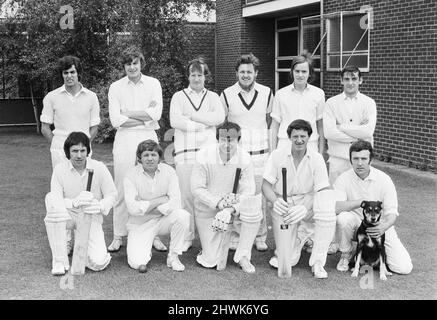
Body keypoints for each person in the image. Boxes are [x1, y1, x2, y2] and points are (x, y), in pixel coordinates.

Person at [107, 48, 166, 253]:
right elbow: (116, 120)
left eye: (135, 63)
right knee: (122, 187)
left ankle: (154, 234)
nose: (132, 67)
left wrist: (128, 114)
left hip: (148, 138)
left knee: (152, 188)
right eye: (128, 64)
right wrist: (145, 117)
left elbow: (156, 114)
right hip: (124, 140)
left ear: (141, 63)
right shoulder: (115, 87)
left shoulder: (153, 83)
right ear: (123, 66)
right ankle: (118, 235)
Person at [262, 119, 338, 279]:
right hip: (284, 204)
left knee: (327, 210)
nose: (299, 140)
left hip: (307, 201)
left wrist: (309, 209)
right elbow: (266, 186)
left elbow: (323, 189)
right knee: (287, 260)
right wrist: (276, 202)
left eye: (303, 136)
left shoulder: (317, 158)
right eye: (295, 136)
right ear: (289, 137)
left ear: (309, 137)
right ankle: (299, 238)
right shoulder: (277, 155)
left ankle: (318, 262)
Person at [191, 122, 262, 273]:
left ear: (238, 140)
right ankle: (213, 248)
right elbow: (196, 188)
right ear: (218, 139)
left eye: (232, 139)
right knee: (210, 260)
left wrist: (230, 209)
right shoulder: (203, 155)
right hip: (208, 209)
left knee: (254, 208)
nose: (228, 143)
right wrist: (219, 203)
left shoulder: (245, 158)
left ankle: (243, 255)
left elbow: (248, 192)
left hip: (234, 208)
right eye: (224, 139)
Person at [170, 58, 225, 252]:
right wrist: (204, 125)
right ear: (188, 76)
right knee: (185, 196)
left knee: (206, 195)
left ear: (205, 77)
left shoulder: (213, 97)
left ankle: (207, 238)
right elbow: (175, 121)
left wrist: (193, 117)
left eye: (199, 74)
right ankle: (187, 236)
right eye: (193, 74)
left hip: (208, 154)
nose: (196, 78)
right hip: (184, 153)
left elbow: (219, 118)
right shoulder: (179, 96)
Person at [334, 140, 413, 275]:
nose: (360, 163)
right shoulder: (343, 178)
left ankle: (377, 258)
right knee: (343, 218)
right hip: (355, 224)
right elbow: (336, 207)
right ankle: (346, 254)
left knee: (403, 268)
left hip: (380, 226)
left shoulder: (384, 179)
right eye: (356, 158)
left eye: (364, 158)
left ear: (371, 159)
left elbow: (392, 212)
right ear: (350, 160)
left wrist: (384, 226)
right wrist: (361, 202)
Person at [43, 132, 117, 275]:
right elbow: (56, 198)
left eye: (82, 151)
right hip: (67, 215)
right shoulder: (59, 170)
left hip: (90, 216)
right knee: (50, 198)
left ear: (88, 151)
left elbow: (112, 194)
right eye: (75, 151)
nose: (79, 155)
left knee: (98, 263)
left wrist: (101, 205)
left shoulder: (99, 167)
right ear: (68, 152)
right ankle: (59, 261)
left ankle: (80, 246)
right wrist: (74, 202)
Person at [220, 53, 273, 252]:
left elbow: (269, 122)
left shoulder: (267, 92)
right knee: (236, 194)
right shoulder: (226, 94)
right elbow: (223, 124)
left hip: (260, 154)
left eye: (249, 71)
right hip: (237, 154)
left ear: (256, 73)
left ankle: (260, 236)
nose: (245, 75)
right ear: (236, 73)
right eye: (242, 71)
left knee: (258, 196)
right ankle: (235, 234)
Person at [123, 140, 190, 273]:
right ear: (139, 158)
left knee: (182, 215)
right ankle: (145, 246)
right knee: (137, 263)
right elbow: (132, 209)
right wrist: (161, 200)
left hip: (162, 221)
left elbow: (175, 202)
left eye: (153, 155)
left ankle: (173, 257)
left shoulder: (169, 171)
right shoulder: (130, 175)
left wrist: (145, 206)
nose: (149, 158)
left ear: (159, 157)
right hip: (139, 224)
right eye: (146, 155)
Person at [40, 55, 100, 169]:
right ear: (62, 75)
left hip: (83, 152)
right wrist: (60, 146)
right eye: (65, 73)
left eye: (72, 72)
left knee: (83, 185)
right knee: (62, 185)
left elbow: (94, 128)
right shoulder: (51, 97)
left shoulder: (91, 97)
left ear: (78, 73)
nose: (69, 76)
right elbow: (45, 128)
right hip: (60, 152)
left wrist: (83, 147)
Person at [323, 65, 377, 185]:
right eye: (347, 79)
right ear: (341, 81)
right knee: (337, 198)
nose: (350, 83)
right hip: (338, 159)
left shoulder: (369, 103)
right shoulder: (331, 103)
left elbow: (368, 132)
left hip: (361, 160)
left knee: (362, 197)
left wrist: (341, 126)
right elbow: (329, 133)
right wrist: (358, 135)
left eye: (354, 79)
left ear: (360, 80)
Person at [270, 52, 326, 154]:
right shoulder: (280, 94)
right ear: (292, 72)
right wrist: (272, 153)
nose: (300, 75)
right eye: (297, 71)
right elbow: (274, 126)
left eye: (304, 71)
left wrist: (321, 152)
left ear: (310, 73)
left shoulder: (319, 94)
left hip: (310, 144)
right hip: (285, 144)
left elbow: (320, 126)